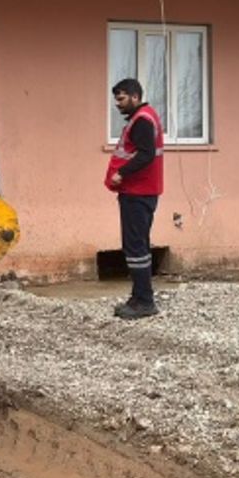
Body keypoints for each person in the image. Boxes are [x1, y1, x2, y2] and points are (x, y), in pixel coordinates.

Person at [104, 78, 164, 320]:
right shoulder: (145, 117)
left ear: (135, 96)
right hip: (143, 191)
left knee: (135, 247)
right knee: (139, 245)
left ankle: (144, 301)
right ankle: (139, 296)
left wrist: (121, 173)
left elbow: (146, 154)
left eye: (121, 99)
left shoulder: (141, 120)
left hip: (138, 192)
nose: (118, 104)